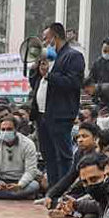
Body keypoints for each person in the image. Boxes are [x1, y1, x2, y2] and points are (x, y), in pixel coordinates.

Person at [30, 23, 85, 184]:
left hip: (60, 114)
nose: (44, 42)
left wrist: (49, 75)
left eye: (46, 38)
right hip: (42, 114)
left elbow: (74, 82)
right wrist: (36, 69)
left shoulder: (73, 56)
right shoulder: (47, 57)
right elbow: (35, 84)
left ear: (55, 37)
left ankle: (63, 191)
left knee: (63, 155)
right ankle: (52, 192)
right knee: (48, 154)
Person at [0, 117, 40, 200]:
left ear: (16, 129)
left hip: (20, 180)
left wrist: (20, 185)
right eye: (3, 129)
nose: (5, 132)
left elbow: (31, 171)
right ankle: (22, 196)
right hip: (1, 181)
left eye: (9, 129)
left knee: (34, 185)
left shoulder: (28, 144)